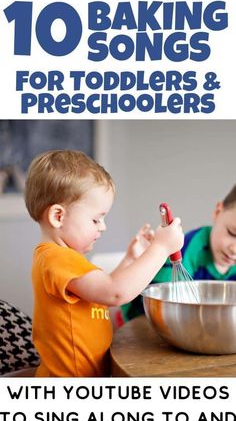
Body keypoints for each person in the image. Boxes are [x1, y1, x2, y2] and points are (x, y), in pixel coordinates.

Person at [24, 150, 183, 377]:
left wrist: (131, 259)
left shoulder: (60, 258)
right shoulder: (57, 259)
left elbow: (99, 295)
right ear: (58, 216)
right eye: (96, 219)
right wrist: (161, 248)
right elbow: (115, 293)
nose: (103, 226)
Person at [121, 184, 236, 323]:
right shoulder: (184, 250)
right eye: (232, 233)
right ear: (218, 212)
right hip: (140, 323)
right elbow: (164, 309)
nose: (234, 249)